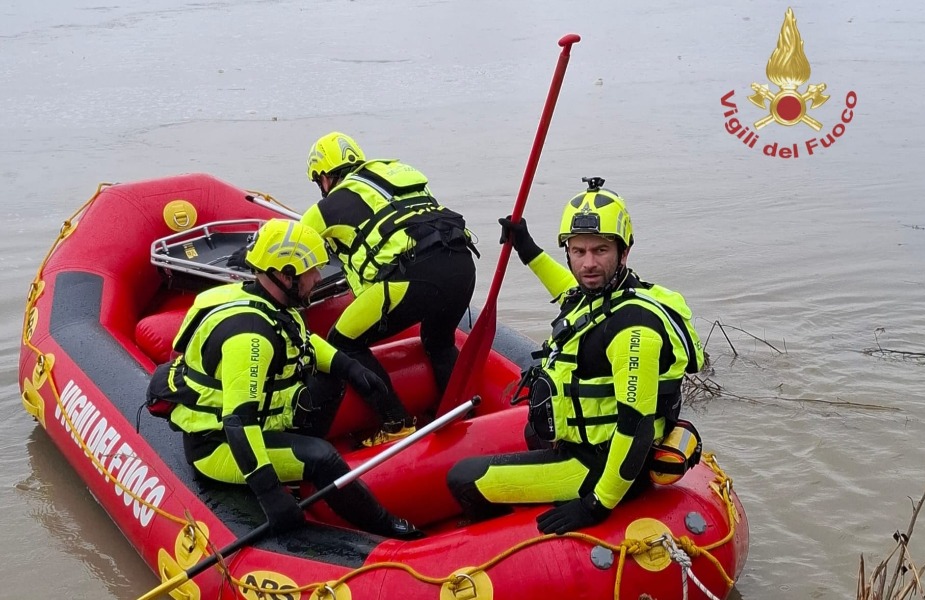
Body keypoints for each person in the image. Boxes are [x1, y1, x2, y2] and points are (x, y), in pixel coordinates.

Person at [446, 177, 705, 534]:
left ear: (623, 252)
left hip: (603, 466)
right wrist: (527, 248)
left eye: (600, 251)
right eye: (578, 251)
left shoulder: (634, 330)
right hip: (586, 444)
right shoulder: (603, 296)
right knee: (531, 431)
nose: (588, 264)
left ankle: (502, 541)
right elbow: (567, 291)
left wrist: (596, 504)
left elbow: (636, 429)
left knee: (462, 478)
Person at [148, 219, 422, 539]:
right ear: (285, 274)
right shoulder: (251, 339)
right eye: (311, 272)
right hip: (219, 445)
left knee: (332, 380)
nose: (318, 277)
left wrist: (350, 368)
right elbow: (239, 422)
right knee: (323, 457)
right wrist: (269, 494)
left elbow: (303, 340)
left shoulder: (269, 299)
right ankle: (388, 528)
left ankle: (295, 460)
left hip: (255, 424)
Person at [300, 132, 478, 446]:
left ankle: (395, 422)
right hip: (462, 266)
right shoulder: (395, 175)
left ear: (324, 177)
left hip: (414, 277)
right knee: (438, 342)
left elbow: (292, 247)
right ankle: (459, 414)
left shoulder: (327, 207)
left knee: (342, 342)